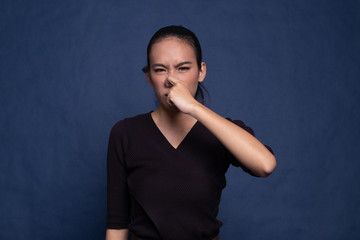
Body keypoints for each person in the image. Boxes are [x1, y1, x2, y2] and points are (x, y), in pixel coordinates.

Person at [105, 25, 276, 240]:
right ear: (149, 76)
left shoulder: (220, 131)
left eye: (183, 68)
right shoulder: (125, 133)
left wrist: (193, 107)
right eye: (160, 69)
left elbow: (265, 165)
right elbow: (117, 224)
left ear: (201, 71)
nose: (171, 79)